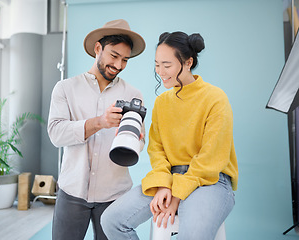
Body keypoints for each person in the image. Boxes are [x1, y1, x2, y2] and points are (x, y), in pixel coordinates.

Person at [101, 31, 239, 240]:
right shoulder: (162, 103)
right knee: (112, 220)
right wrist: (164, 184)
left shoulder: (215, 98)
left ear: (188, 62)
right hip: (170, 178)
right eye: (157, 65)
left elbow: (211, 159)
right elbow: (157, 150)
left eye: (167, 65)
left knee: (192, 235)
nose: (161, 72)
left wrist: (176, 194)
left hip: (211, 181)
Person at [47, 19, 146, 240]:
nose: (119, 65)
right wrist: (99, 122)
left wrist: (136, 140)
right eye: (114, 56)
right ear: (98, 48)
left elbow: (140, 141)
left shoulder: (134, 95)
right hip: (71, 192)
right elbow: (55, 133)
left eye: (125, 60)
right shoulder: (65, 89)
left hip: (114, 195)